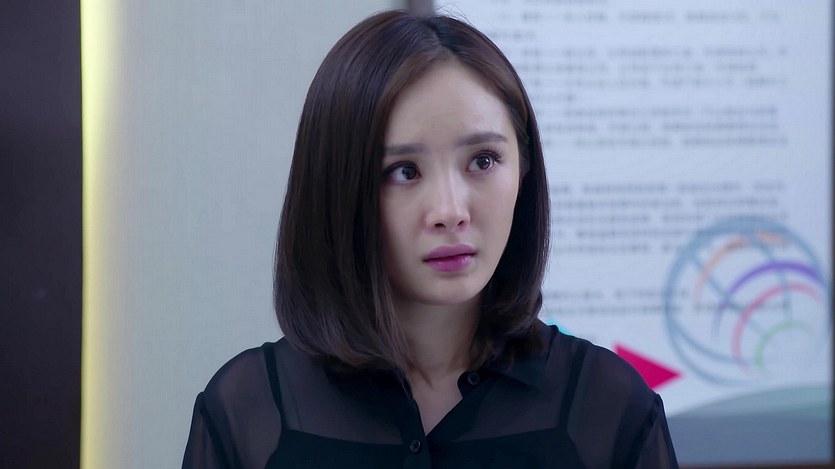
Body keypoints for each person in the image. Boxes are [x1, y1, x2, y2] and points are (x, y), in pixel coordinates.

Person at [183, 10, 678, 469]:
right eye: (404, 171)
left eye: (482, 161)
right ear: (337, 191)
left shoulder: (610, 408)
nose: (450, 211)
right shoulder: (247, 412)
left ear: (524, 170)